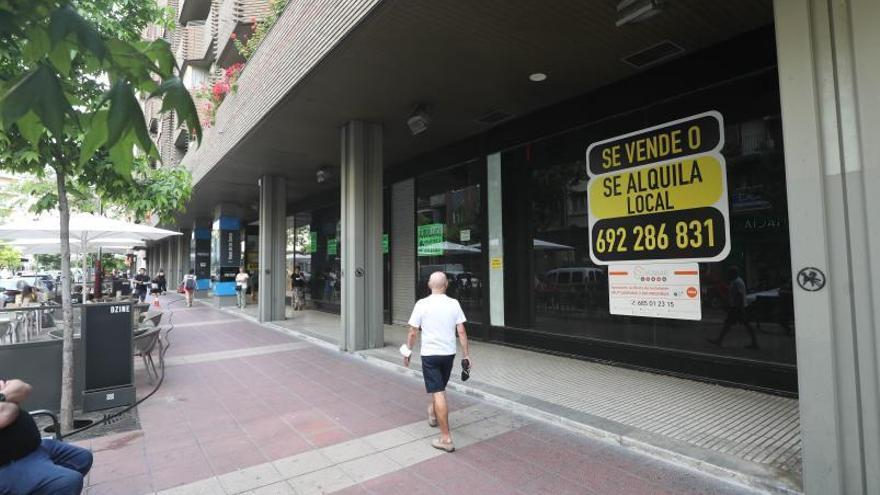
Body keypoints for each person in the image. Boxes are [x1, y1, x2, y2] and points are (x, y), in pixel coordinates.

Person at [403, 271, 471, 453]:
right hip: (449, 354)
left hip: (430, 355)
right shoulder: (454, 304)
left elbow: (412, 332)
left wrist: (408, 351)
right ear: (446, 285)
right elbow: (462, 331)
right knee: (439, 388)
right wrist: (466, 356)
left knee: (438, 392)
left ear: (429, 285)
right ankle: (432, 413)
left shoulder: (422, 304)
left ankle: (446, 438)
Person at [0, 379, 93, 494]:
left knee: (83, 458)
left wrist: (3, 397)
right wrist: (11, 400)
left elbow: (23, 388)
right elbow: (5, 414)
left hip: (36, 447)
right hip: (10, 463)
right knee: (69, 481)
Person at [709, 266, 759, 349]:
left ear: (733, 273)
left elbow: (739, 296)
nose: (728, 275)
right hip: (737, 307)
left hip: (737, 308)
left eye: (730, 273)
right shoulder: (736, 281)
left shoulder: (737, 282)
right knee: (733, 324)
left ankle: (719, 340)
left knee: (734, 324)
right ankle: (719, 340)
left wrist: (740, 309)